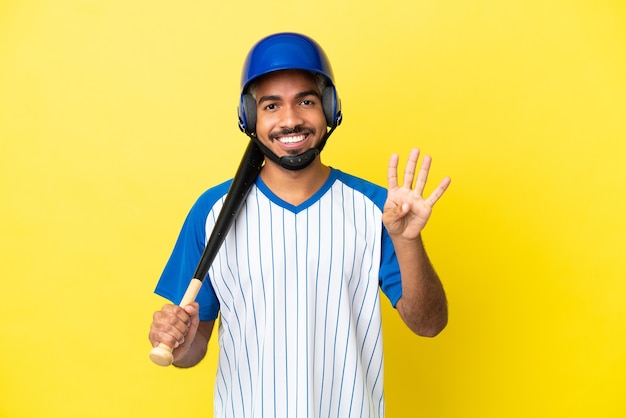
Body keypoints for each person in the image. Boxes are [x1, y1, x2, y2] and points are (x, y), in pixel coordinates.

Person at [148, 32, 451, 418]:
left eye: (305, 101)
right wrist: (180, 344)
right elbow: (192, 351)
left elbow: (429, 324)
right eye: (271, 105)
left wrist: (407, 240)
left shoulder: (380, 208)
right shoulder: (211, 210)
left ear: (329, 109)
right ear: (250, 117)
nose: (290, 120)